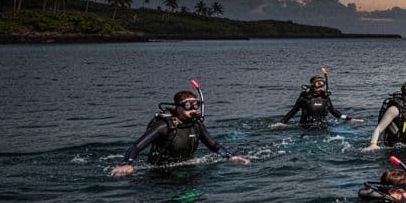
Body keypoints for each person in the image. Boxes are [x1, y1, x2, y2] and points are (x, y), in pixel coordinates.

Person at [110, 90, 250, 176]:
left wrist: (230, 156)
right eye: (188, 106)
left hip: (187, 168)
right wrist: (127, 164)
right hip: (160, 173)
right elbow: (136, 146)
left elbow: (213, 144)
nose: (193, 109)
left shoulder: (196, 125)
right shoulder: (164, 126)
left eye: (196, 105)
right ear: (178, 108)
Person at [272, 75, 358, 128]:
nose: (320, 88)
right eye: (317, 85)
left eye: (322, 85)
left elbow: (334, 111)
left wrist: (349, 119)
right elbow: (293, 111)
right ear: (312, 86)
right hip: (306, 127)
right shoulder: (305, 97)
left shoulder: (325, 97)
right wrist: (282, 123)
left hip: (323, 126)